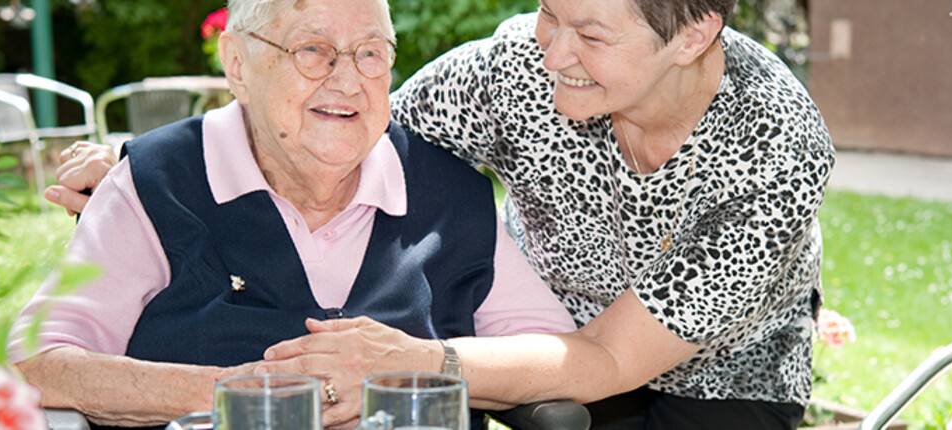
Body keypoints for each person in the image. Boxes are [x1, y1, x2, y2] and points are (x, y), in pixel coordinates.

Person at [48, 0, 835, 428]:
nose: (550, 51)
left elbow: (605, 359)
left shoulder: (774, 150)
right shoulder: (513, 69)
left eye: (589, 33)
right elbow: (342, 112)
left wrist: (410, 365)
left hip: (715, 384)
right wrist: (148, 164)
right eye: (548, 14)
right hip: (541, 345)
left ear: (693, 34)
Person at [7, 0, 575, 428]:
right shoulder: (158, 181)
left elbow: (552, 353)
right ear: (237, 63)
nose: (348, 80)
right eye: (312, 51)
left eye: (372, 53)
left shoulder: (448, 194)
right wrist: (242, 391)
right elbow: (39, 362)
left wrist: (427, 364)